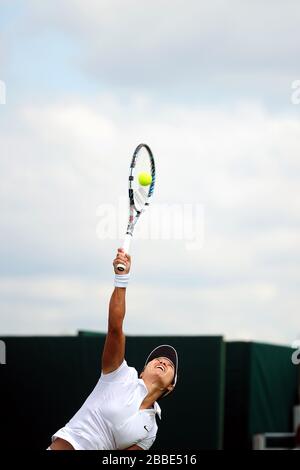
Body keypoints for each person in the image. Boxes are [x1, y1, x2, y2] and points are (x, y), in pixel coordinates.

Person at [48, 248, 178, 450]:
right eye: (157, 359)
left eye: (169, 365)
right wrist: (122, 279)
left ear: (170, 386)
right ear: (142, 371)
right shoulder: (121, 375)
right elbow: (115, 328)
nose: (162, 361)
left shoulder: (150, 431)